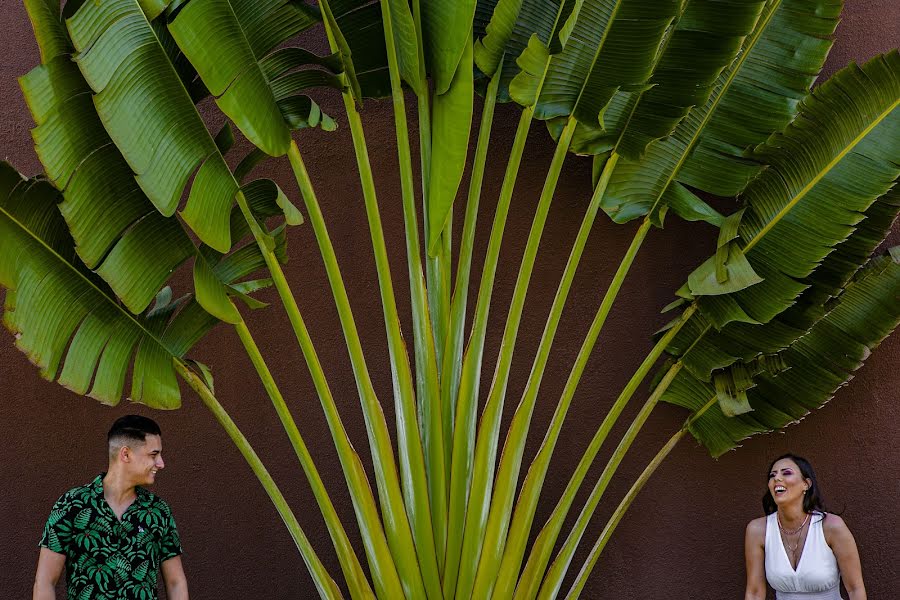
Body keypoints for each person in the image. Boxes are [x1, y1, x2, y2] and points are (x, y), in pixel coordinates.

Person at [33, 415, 189, 600]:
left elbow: (176, 582)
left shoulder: (157, 510)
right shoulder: (72, 505)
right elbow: (44, 581)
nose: (161, 463)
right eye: (153, 455)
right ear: (125, 454)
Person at [744, 453, 865, 600]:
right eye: (772, 475)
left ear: (806, 484)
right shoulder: (758, 530)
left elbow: (855, 589)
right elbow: (755, 593)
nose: (777, 478)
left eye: (786, 473)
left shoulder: (832, 526)